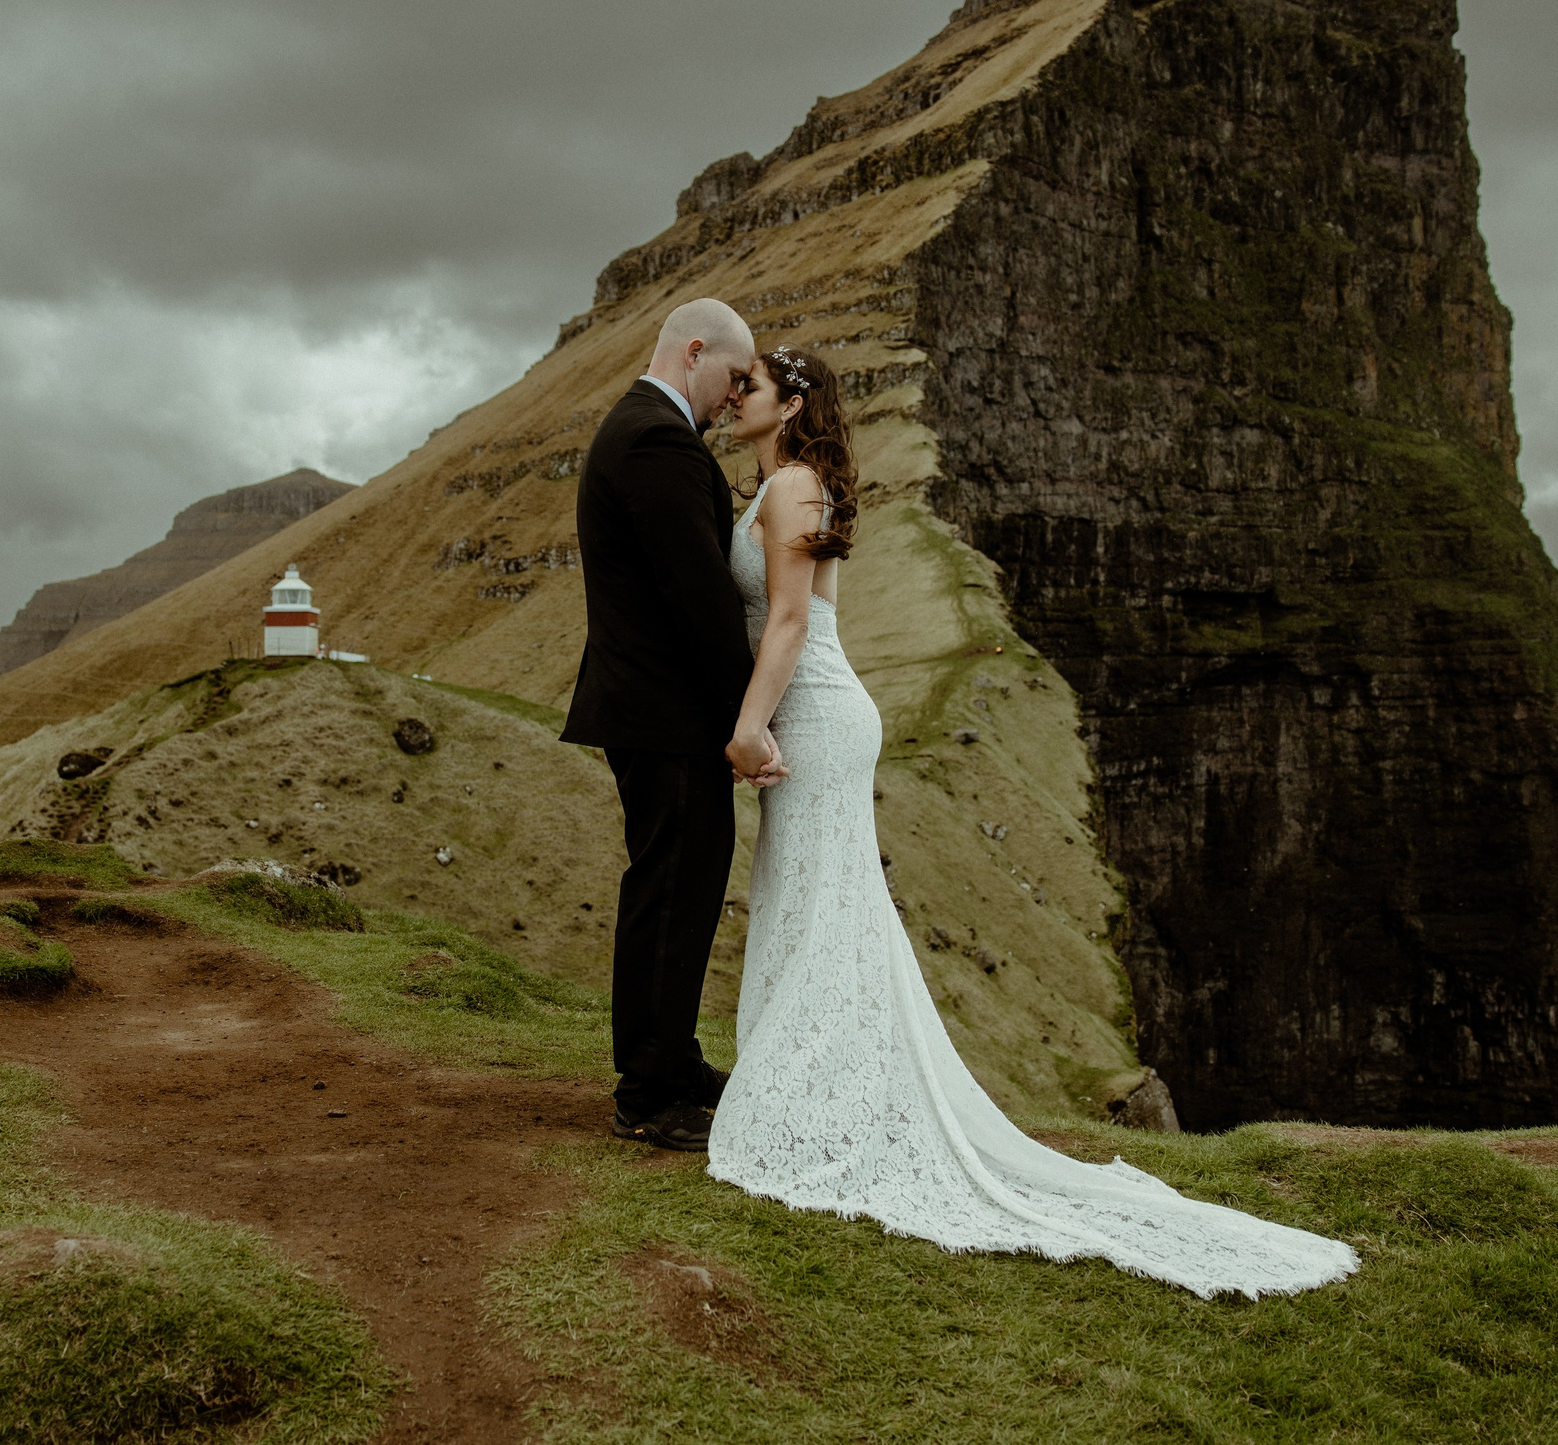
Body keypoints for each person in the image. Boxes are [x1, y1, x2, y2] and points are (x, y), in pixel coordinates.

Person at [705, 343, 1359, 1298]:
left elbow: (797, 624)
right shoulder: (786, 488)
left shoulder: (796, 486)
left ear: (789, 403)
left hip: (814, 713)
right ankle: (819, 1094)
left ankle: (823, 1107)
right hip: (810, 708)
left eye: (750, 388)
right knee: (811, 901)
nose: (734, 398)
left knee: (824, 904)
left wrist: (749, 727)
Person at [563, 297, 781, 1153]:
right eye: (731, 377)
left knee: (679, 886)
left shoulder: (643, 426)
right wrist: (745, 723)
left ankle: (674, 1063)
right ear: (694, 351)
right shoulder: (655, 437)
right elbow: (699, 599)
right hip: (665, 710)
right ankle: (650, 1092)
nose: (734, 397)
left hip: (654, 706)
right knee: (671, 890)